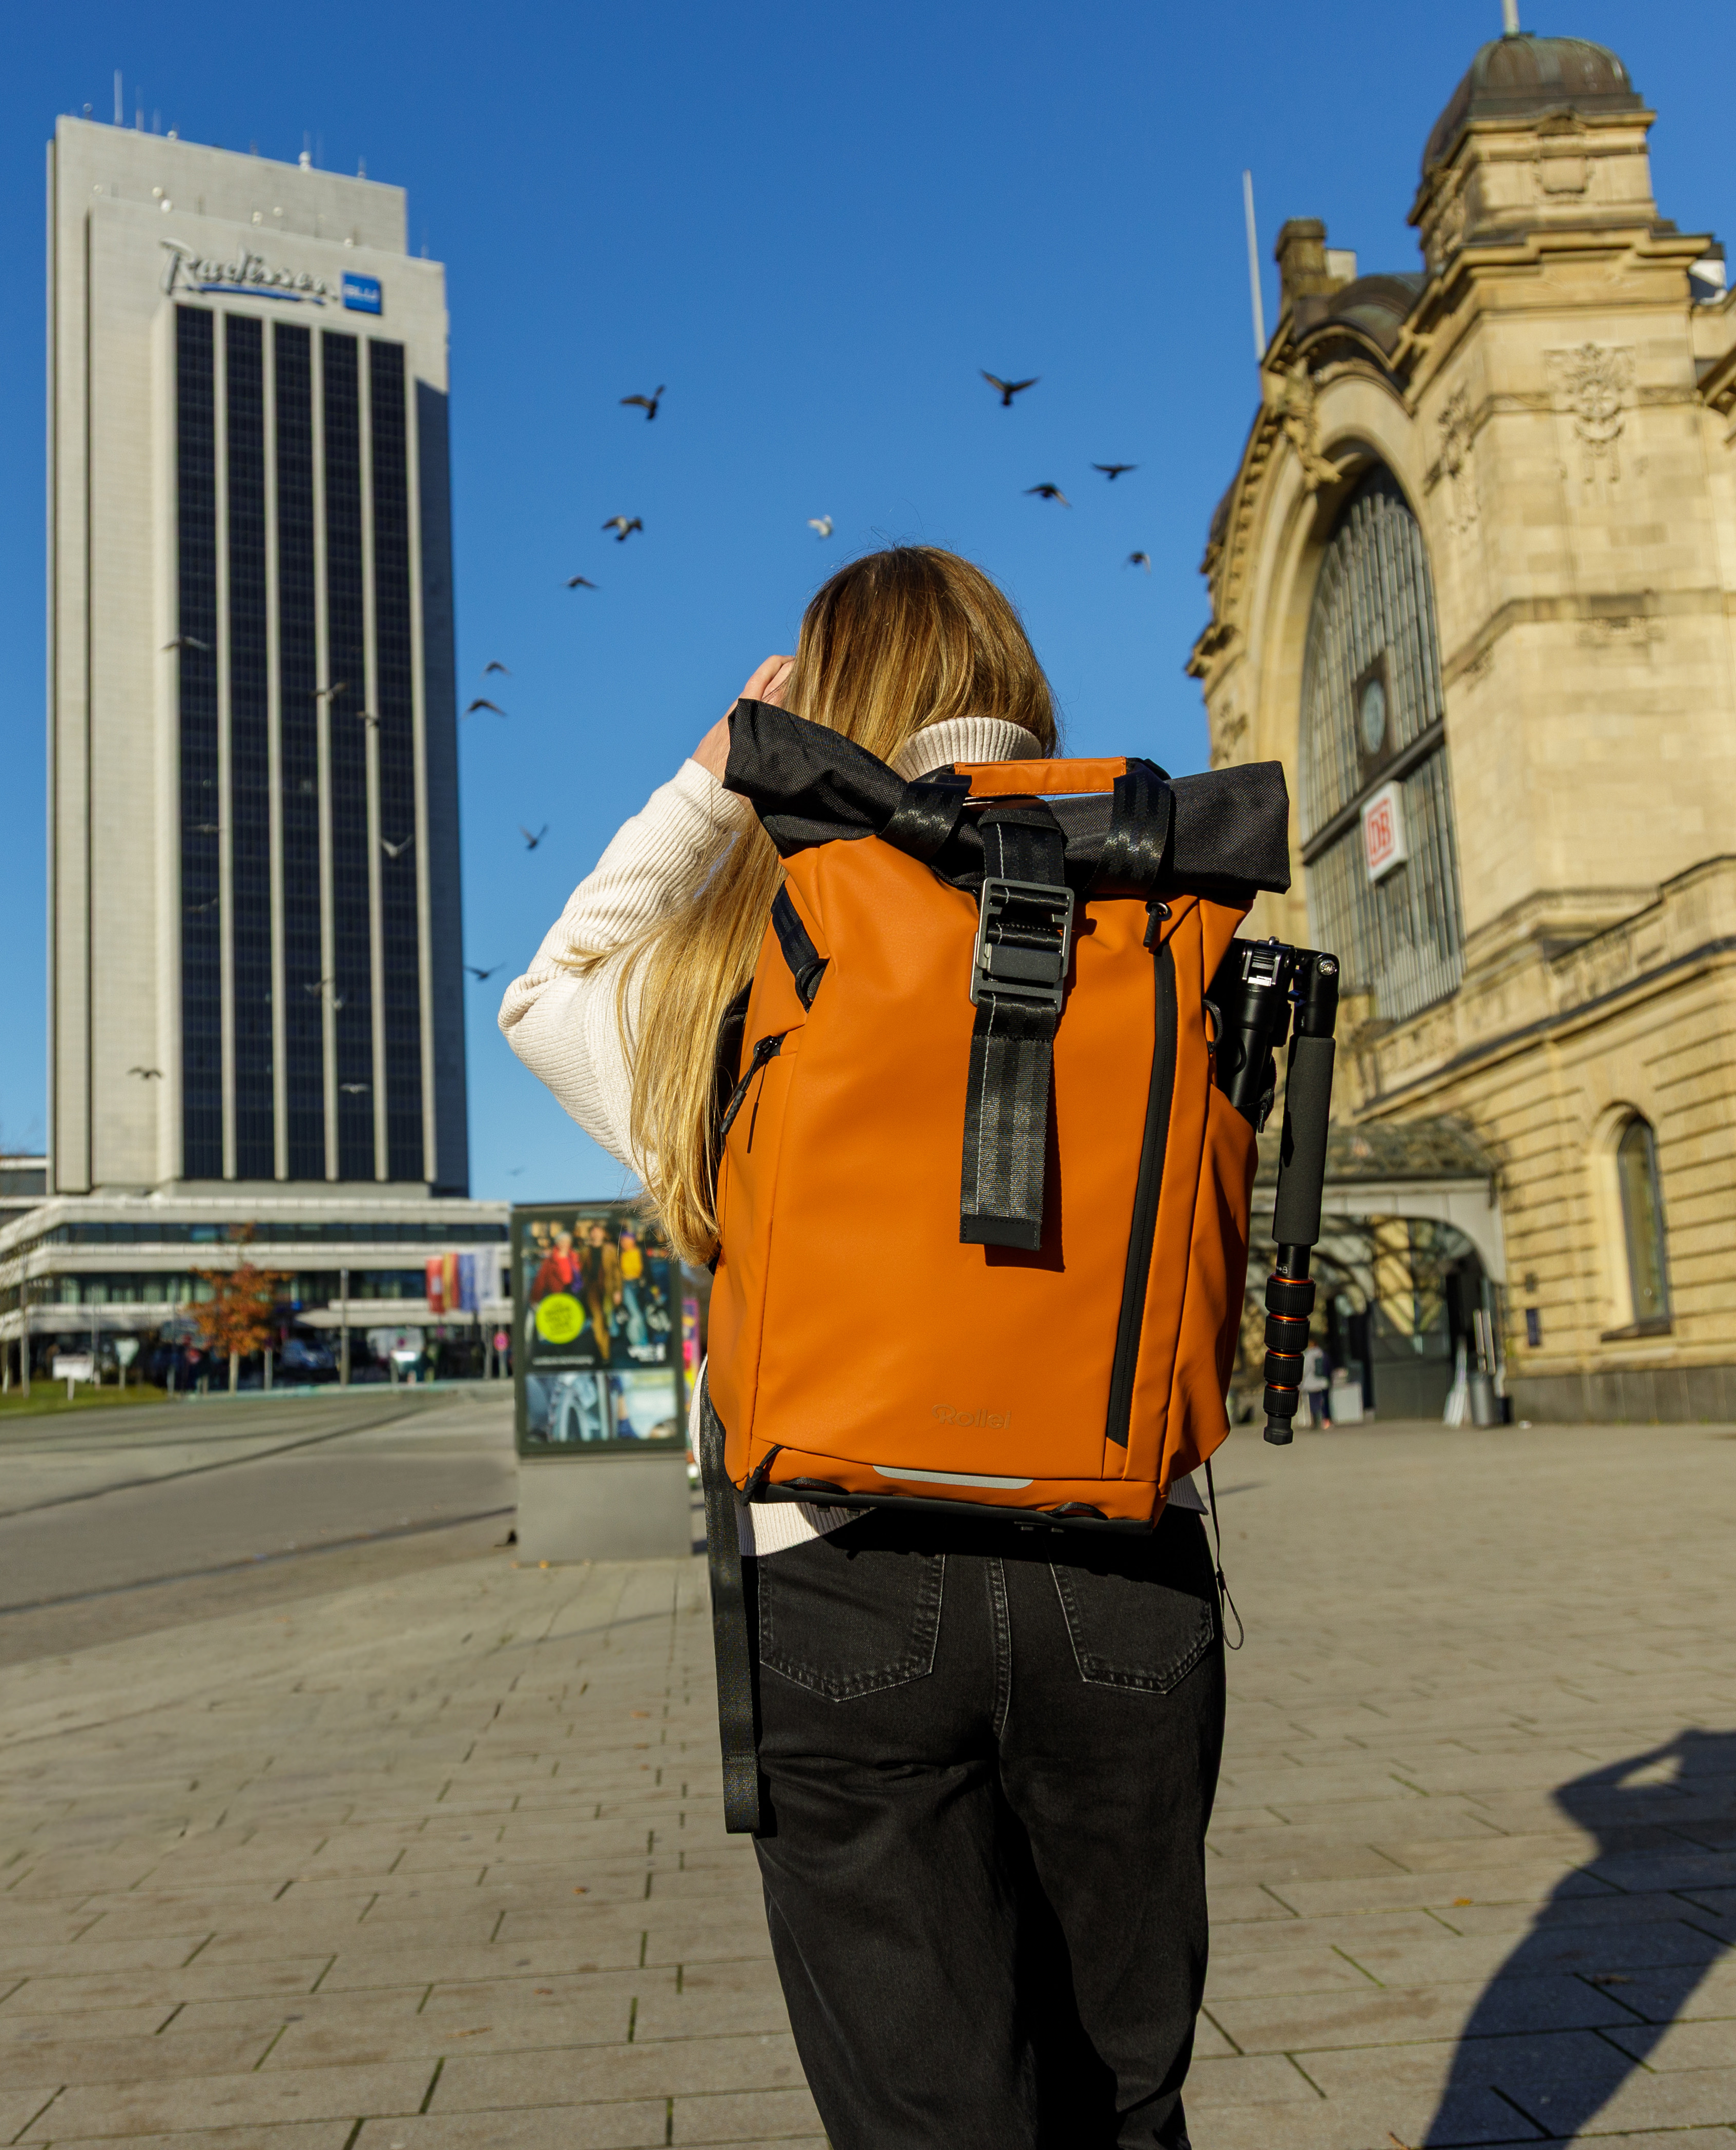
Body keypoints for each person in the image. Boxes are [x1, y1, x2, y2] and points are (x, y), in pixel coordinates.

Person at [501, 547, 1227, 2149]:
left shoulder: (718, 974)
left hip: (844, 1577)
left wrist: (716, 777)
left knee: (931, 2123)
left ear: (817, 711)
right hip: (1124, 1568)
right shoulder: (1160, 919)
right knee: (1127, 2102)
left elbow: (544, 995)